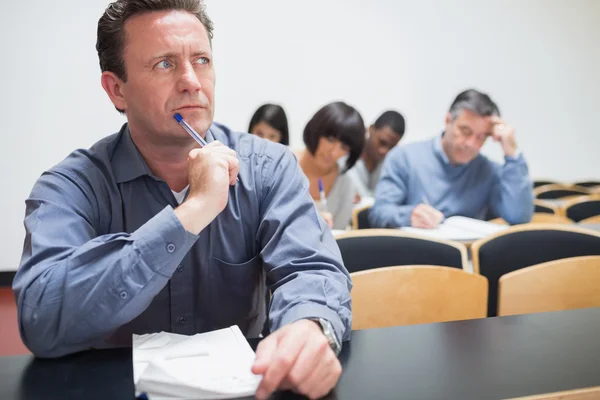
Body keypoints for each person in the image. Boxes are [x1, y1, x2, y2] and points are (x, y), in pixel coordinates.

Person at [12, 1, 350, 399]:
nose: (192, 81)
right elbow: (42, 318)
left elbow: (312, 269)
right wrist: (191, 213)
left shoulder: (267, 167)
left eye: (202, 60)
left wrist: (309, 327)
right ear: (116, 89)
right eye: (165, 64)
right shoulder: (71, 185)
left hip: (245, 387)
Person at [369, 89, 533, 228]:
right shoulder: (405, 157)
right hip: (414, 259)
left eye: (481, 137)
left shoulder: (488, 170)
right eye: (465, 131)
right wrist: (409, 215)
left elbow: (519, 216)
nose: (471, 143)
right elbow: (379, 213)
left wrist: (511, 151)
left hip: (466, 261)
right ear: (448, 121)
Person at [296, 102, 365, 230]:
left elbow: (338, 235)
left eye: (344, 147)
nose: (334, 152)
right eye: (330, 139)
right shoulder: (284, 165)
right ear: (316, 131)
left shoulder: (346, 182)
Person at [347, 110, 405, 198]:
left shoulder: (391, 166)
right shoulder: (345, 154)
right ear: (371, 129)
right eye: (382, 142)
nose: (384, 151)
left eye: (391, 147)